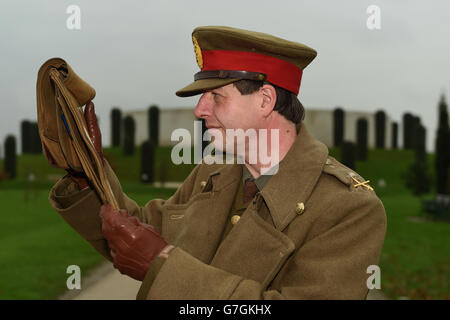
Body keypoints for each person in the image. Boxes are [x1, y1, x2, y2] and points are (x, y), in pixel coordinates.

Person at [48, 26, 386, 299]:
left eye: (216, 97)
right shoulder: (213, 172)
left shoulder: (349, 208)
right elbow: (139, 234)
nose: (200, 111)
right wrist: (87, 172)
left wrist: (162, 263)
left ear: (265, 100)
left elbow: (153, 254)